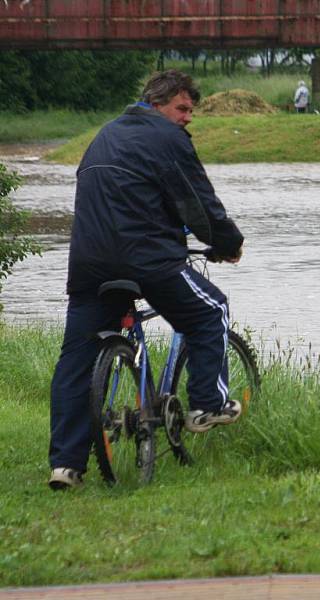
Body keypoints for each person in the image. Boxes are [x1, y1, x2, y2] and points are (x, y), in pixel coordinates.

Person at [48, 70, 245, 490]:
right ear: (157, 104)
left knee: (75, 361)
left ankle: (65, 466)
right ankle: (207, 405)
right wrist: (227, 243)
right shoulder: (167, 138)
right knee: (211, 311)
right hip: (148, 261)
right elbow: (201, 204)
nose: (188, 118)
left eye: (191, 110)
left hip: (88, 264)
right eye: (182, 108)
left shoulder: (104, 135)